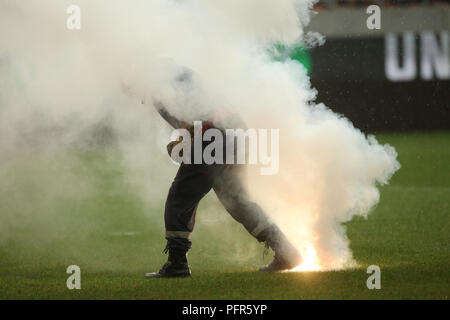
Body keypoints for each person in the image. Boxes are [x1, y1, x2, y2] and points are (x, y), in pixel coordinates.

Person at [143, 70, 302, 278]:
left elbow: (189, 121)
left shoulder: (160, 88)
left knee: (180, 197)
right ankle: (285, 250)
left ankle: (177, 263)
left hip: (213, 134)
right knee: (237, 200)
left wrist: (182, 141)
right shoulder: (187, 75)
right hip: (236, 129)